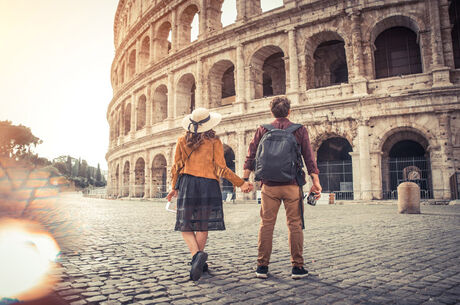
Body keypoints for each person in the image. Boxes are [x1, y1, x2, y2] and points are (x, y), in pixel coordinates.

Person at [167, 107, 253, 281]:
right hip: (209, 185)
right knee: (202, 225)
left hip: (188, 184)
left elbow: (176, 167)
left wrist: (173, 187)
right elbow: (221, 168)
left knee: (185, 224)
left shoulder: (182, 140)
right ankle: (198, 259)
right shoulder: (214, 142)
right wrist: (241, 183)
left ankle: (196, 256)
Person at [243, 97, 322, 279]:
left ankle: (262, 267)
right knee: (295, 225)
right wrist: (315, 181)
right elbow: (309, 158)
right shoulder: (299, 130)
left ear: (271, 112)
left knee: (266, 225)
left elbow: (251, 156)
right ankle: (297, 267)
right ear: (289, 111)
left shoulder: (262, 129)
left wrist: (245, 179)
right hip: (292, 185)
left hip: (269, 186)